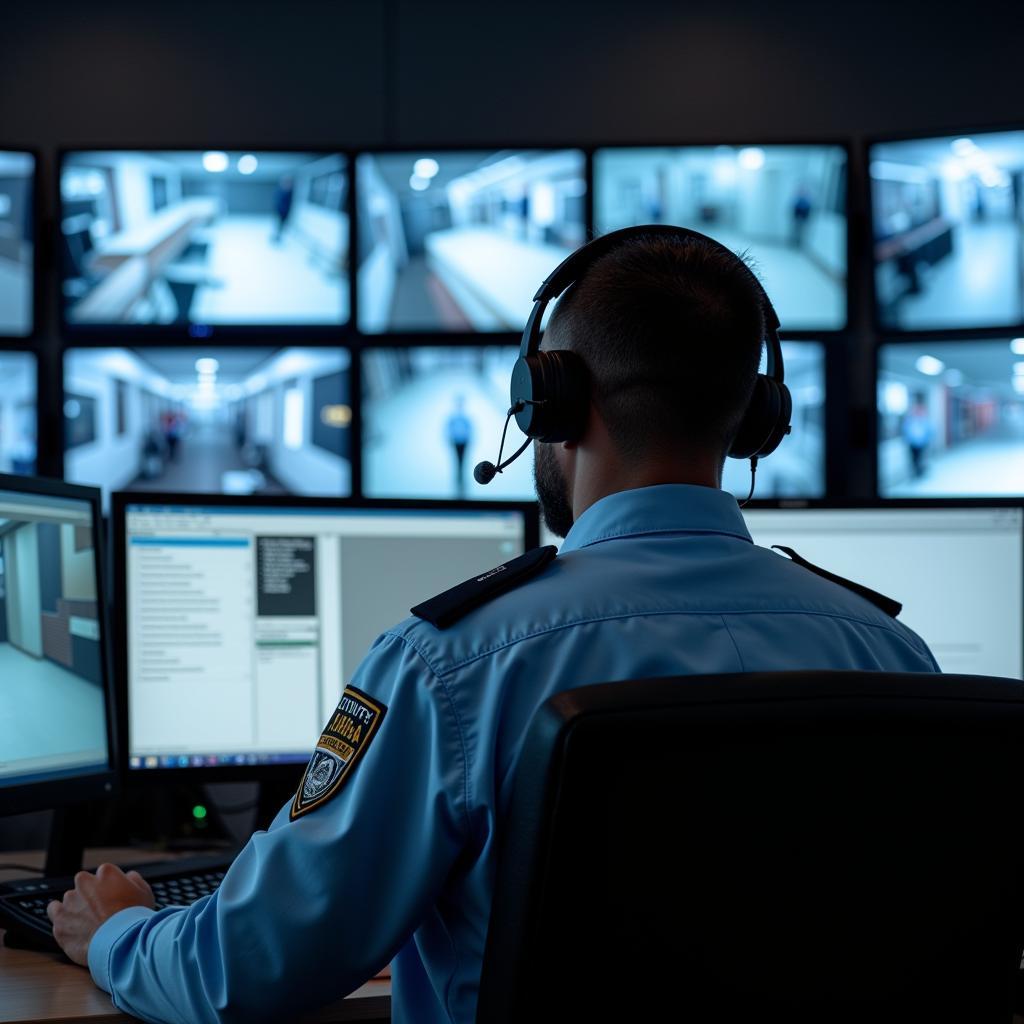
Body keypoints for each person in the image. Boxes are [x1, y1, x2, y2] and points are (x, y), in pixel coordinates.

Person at [48, 231, 940, 1024]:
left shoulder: (448, 665)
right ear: (754, 419)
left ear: (548, 403)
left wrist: (122, 930)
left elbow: (250, 971)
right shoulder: (896, 659)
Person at [444, 394, 473, 496]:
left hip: (463, 442)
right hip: (457, 442)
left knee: (462, 460)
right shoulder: (454, 418)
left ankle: (461, 478)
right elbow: (449, 429)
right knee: (458, 460)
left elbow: (469, 429)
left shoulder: (464, 417)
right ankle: (459, 478)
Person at [902, 393, 933, 479]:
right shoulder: (910, 420)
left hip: (922, 443)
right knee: (914, 459)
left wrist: (927, 440)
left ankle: (920, 472)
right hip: (912, 443)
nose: (917, 412)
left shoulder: (925, 421)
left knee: (921, 458)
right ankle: (916, 472)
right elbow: (905, 430)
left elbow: (930, 431)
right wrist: (908, 439)